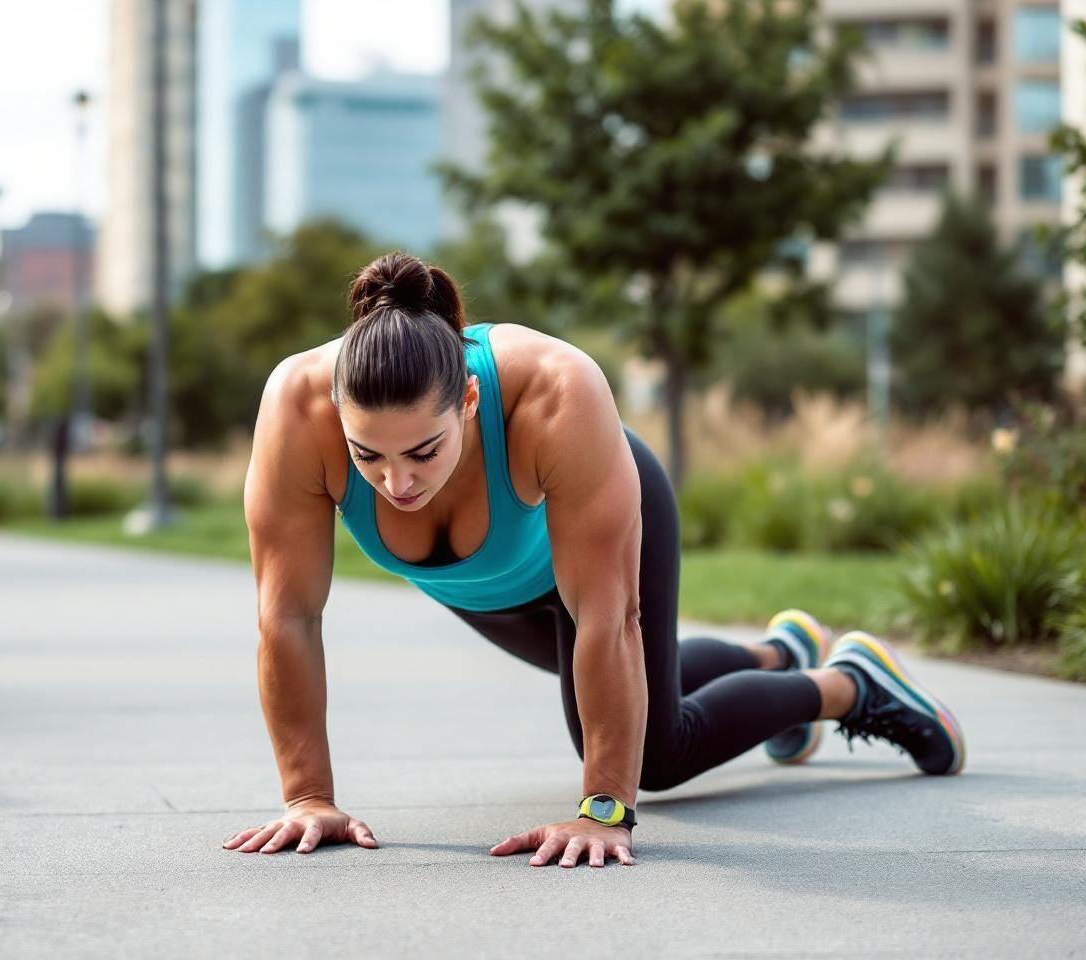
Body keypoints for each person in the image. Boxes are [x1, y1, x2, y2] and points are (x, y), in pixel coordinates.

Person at [224, 251, 965, 870]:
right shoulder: (297, 407)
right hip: (488, 583)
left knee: (655, 754)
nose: (398, 483)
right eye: (369, 458)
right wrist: (307, 797)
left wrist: (604, 811)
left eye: (424, 451)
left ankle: (846, 685)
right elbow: (286, 616)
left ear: (469, 400)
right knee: (598, 683)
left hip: (597, 527)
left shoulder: (555, 391)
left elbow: (609, 620)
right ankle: (775, 653)